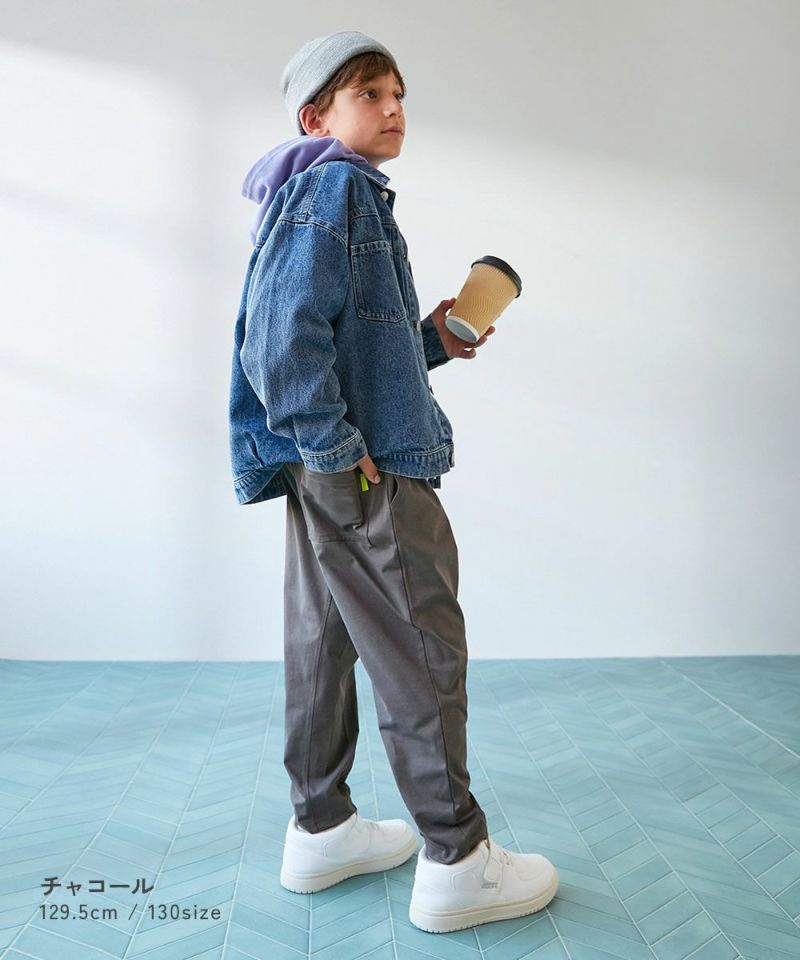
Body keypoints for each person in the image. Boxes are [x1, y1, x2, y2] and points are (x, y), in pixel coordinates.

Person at [228, 30, 558, 934]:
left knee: (322, 638)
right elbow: (278, 343)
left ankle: (322, 827)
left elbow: (343, 347)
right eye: (369, 94)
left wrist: (430, 343)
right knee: (423, 646)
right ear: (316, 117)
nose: (393, 108)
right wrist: (337, 448)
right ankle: (458, 859)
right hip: (363, 467)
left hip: (328, 464)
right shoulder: (335, 190)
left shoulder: (316, 192)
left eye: (399, 93)